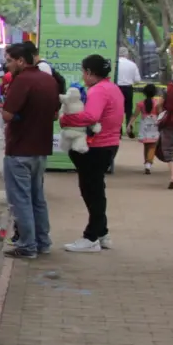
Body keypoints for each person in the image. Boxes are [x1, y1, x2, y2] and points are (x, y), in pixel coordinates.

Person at [0, 42, 61, 259]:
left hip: (20, 149)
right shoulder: (49, 80)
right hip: (41, 148)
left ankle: (27, 245)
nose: (7, 65)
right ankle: (42, 241)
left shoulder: (22, 80)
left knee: (21, 200)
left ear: (20, 60)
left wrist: (9, 111)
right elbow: (54, 114)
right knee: (37, 198)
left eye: (9, 61)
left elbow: (7, 114)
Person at [59, 55, 124, 253]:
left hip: (97, 146)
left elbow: (91, 116)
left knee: (92, 191)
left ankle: (91, 237)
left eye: (83, 71)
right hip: (109, 143)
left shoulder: (98, 90)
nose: (82, 75)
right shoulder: (112, 88)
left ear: (88, 72)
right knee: (96, 189)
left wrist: (66, 119)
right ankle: (102, 233)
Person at [136, 83, 162, 174]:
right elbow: (160, 114)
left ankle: (146, 163)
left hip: (144, 126)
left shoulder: (140, 104)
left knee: (146, 145)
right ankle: (148, 163)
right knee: (153, 145)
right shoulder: (157, 103)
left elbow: (134, 115)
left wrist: (129, 125)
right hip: (154, 125)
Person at [116, 48, 142, 138]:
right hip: (128, 88)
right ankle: (129, 128)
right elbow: (137, 80)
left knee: (117, 110)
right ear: (127, 54)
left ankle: (118, 131)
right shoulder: (132, 65)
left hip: (117, 88)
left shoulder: (115, 64)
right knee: (128, 110)